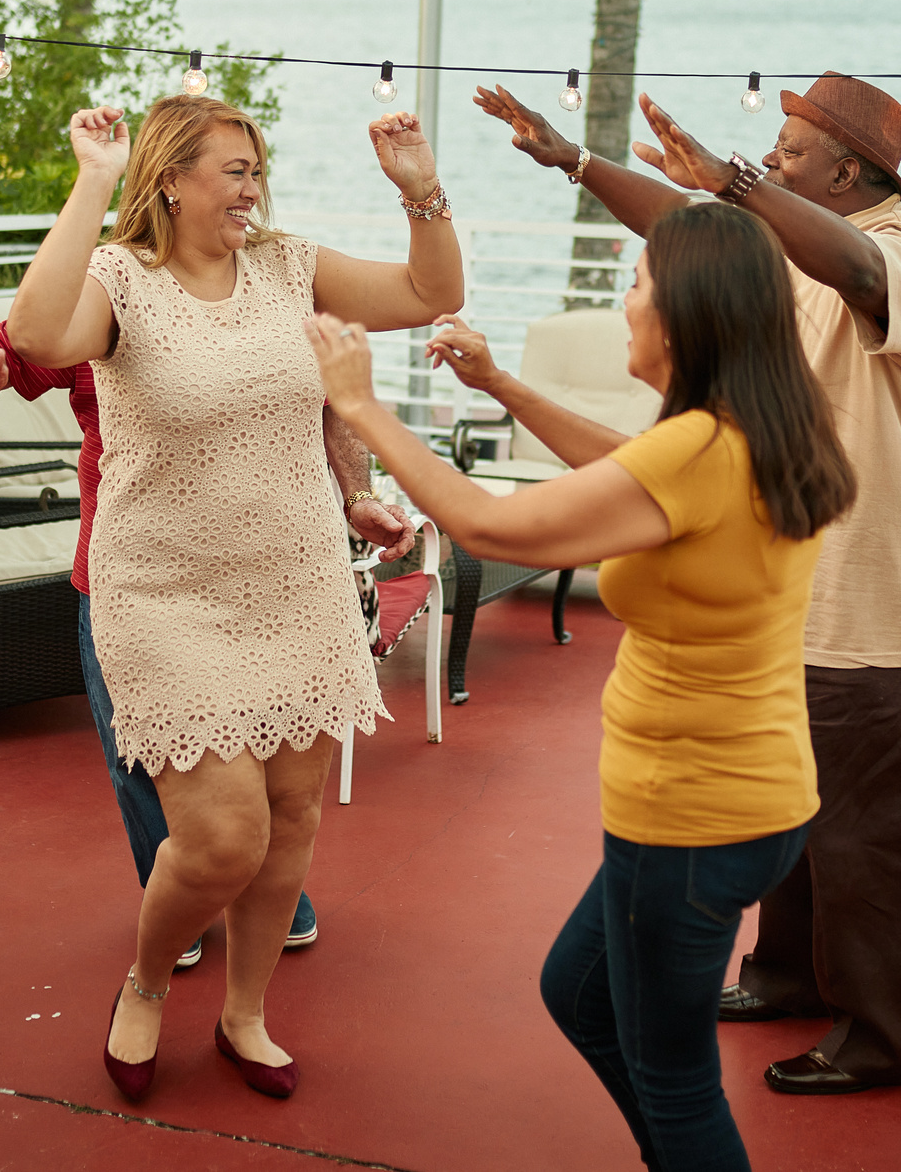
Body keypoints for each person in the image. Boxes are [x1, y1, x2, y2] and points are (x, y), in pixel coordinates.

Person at [306, 199, 857, 1171]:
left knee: (674, 1076)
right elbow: (623, 471)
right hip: (749, 799)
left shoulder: (695, 448)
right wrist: (502, 383)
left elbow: (490, 526)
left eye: (635, 286)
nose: (624, 306)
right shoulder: (755, 427)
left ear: (685, 315)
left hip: (686, 814)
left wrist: (358, 405)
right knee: (580, 993)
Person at [476, 73, 901, 1095]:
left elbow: (850, 267)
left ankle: (890, 1033)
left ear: (845, 171)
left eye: (787, 152)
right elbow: (691, 232)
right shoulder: (788, 248)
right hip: (799, 588)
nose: (769, 162)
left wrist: (735, 182)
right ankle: (788, 974)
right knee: (796, 813)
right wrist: (574, 160)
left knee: (874, 837)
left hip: (883, 607)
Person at [6, 94, 462, 1102]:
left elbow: (431, 292)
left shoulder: (288, 267)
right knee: (221, 838)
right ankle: (142, 982)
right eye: (232, 170)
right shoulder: (121, 280)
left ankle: (244, 1016)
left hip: (296, 581)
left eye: (257, 169)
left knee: (292, 815)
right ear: (169, 178)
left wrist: (420, 190)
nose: (252, 188)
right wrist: (91, 179)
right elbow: (36, 333)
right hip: (164, 595)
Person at [0, 327, 415, 966]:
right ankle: (179, 901)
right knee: (138, 749)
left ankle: (266, 890)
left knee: (273, 745)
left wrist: (358, 495)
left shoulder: (278, 286)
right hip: (136, 579)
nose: (247, 220)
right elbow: (19, 340)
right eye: (231, 214)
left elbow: (332, 403)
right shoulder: (102, 293)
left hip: (263, 577)